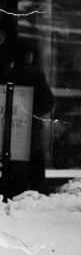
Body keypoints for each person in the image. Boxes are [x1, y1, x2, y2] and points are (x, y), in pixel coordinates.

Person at [0, 29, 54, 197]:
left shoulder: (7, 75)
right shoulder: (36, 75)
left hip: (12, 137)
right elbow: (47, 104)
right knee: (35, 178)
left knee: (16, 177)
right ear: (28, 55)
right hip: (32, 137)